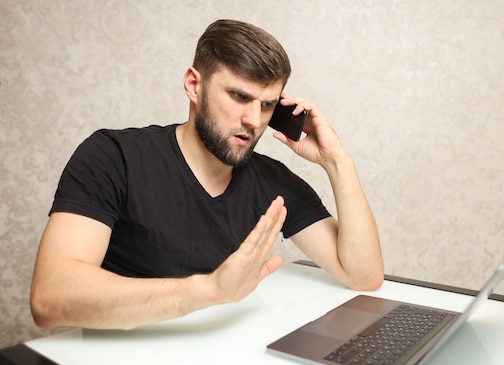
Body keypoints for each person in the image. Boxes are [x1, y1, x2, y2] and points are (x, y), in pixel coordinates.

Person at [30, 19, 383, 330]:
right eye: (239, 96)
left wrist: (337, 162)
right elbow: (50, 300)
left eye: (267, 105)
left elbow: (362, 275)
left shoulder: (273, 181)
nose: (254, 120)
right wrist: (209, 290)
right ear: (194, 85)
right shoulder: (113, 156)